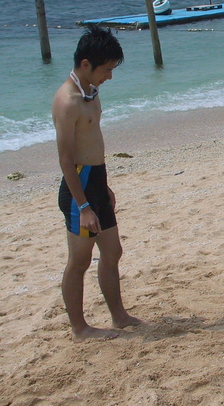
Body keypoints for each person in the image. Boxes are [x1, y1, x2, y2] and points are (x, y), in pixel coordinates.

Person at [52, 25, 141, 342]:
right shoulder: (68, 101)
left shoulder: (91, 91)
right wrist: (85, 205)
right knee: (79, 261)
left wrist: (104, 186)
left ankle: (118, 316)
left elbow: (93, 143)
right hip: (80, 189)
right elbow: (66, 160)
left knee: (113, 251)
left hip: (96, 180)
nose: (110, 77)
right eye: (106, 70)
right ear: (86, 64)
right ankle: (80, 329)